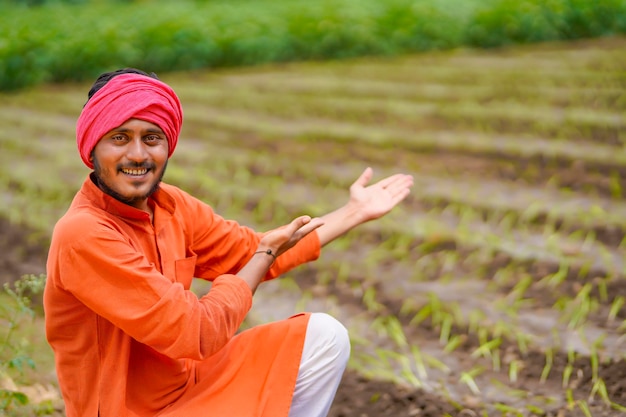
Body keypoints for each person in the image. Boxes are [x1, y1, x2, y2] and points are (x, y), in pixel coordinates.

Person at [43, 68, 414, 417]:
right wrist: (264, 253)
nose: (138, 155)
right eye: (119, 138)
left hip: (190, 388)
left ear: (167, 146)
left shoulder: (171, 205)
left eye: (151, 138)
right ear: (92, 147)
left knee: (323, 336)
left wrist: (353, 212)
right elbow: (197, 332)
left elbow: (248, 251)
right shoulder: (84, 234)